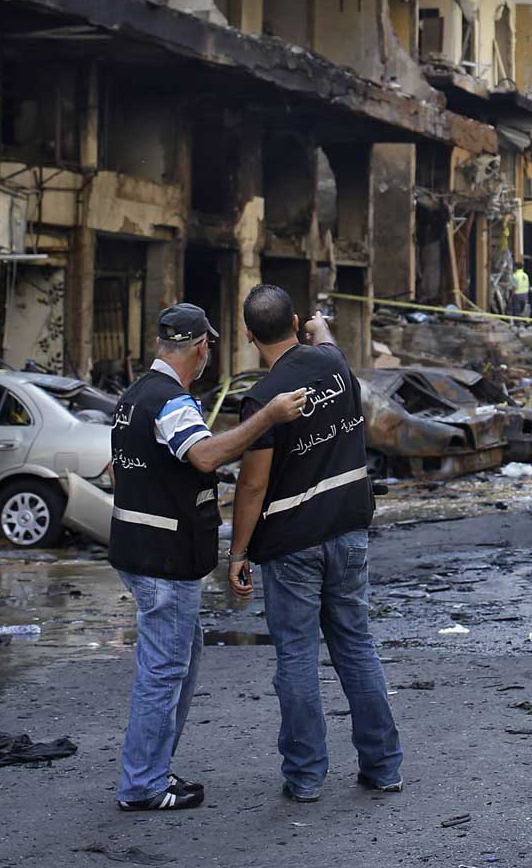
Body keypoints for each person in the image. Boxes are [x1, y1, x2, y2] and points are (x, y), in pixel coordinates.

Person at [107, 304, 307, 813]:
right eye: (208, 347)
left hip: (141, 550)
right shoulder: (172, 402)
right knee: (163, 672)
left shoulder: (134, 397)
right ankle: (144, 785)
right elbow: (205, 456)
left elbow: (125, 469)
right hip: (165, 559)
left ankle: (150, 771)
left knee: (176, 660)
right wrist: (268, 416)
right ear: (199, 348)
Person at [226, 288, 401, 802]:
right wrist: (319, 327)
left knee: (298, 658)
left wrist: (238, 553)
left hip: (292, 544)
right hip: (348, 531)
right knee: (356, 645)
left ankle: (305, 778)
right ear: (298, 322)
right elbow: (325, 340)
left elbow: (253, 486)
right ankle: (384, 767)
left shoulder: (264, 399)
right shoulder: (334, 363)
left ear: (249, 335)